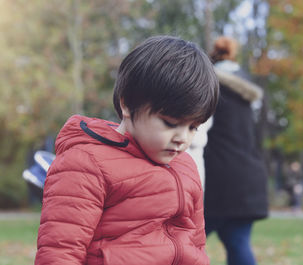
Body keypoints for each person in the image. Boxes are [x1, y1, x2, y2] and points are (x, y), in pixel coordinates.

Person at [35, 35, 219, 265]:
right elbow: (60, 253)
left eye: (193, 127)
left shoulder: (186, 165)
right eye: (170, 123)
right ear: (127, 104)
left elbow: (196, 244)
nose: (182, 138)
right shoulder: (86, 163)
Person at [203, 36, 268, 265]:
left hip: (217, 179)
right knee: (238, 242)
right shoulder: (247, 92)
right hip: (248, 178)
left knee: (189, 241)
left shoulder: (208, 87)